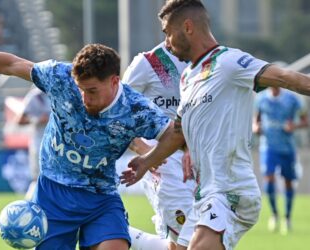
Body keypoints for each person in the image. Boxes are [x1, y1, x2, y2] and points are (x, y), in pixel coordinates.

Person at [120, 1, 310, 250]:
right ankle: (115, 234)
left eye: (168, 32)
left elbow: (287, 78)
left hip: (230, 191)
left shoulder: (230, 61)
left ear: (187, 27)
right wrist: (146, 161)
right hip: (205, 194)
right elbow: (178, 133)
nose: (166, 42)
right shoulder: (188, 77)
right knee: (175, 247)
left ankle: (117, 235)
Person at [0, 43, 182, 250]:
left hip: (101, 197)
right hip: (53, 195)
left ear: (114, 81)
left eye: (92, 91)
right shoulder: (60, 77)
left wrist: (148, 161)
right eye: (81, 89)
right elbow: (11, 64)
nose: (85, 98)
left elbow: (173, 133)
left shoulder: (135, 108)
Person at [122, 41, 195, 250]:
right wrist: (143, 149)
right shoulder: (150, 62)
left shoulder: (207, 61)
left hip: (203, 160)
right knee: (187, 241)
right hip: (165, 162)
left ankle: (123, 234)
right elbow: (117, 111)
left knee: (202, 240)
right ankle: (114, 233)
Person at [253, 86, 308, 235]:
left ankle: (287, 217)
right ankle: (274, 214)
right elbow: (256, 119)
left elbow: (305, 121)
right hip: (268, 147)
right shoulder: (261, 98)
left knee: (288, 181)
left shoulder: (292, 99)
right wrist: (255, 127)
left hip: (287, 148)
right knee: (268, 178)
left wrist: (294, 126)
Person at [16, 87, 51, 201]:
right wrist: (37, 120)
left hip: (59, 143)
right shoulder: (36, 96)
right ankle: (29, 207)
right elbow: (20, 120)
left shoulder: (60, 90)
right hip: (39, 141)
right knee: (37, 179)